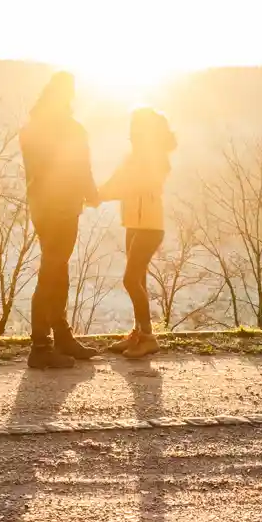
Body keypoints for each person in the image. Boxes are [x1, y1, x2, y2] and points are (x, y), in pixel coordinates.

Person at [19, 72, 100, 369]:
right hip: (63, 208)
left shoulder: (31, 128)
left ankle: (60, 336)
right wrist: (91, 193)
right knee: (53, 270)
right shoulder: (71, 129)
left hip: (42, 207)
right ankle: (41, 346)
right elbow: (80, 166)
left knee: (56, 268)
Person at [99, 107, 176, 359]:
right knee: (139, 280)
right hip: (133, 223)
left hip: (150, 226)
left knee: (130, 280)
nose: (131, 133)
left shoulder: (156, 158)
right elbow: (117, 182)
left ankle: (148, 338)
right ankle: (139, 333)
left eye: (135, 128)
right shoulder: (134, 156)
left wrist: (103, 193)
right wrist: (95, 195)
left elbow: (135, 184)